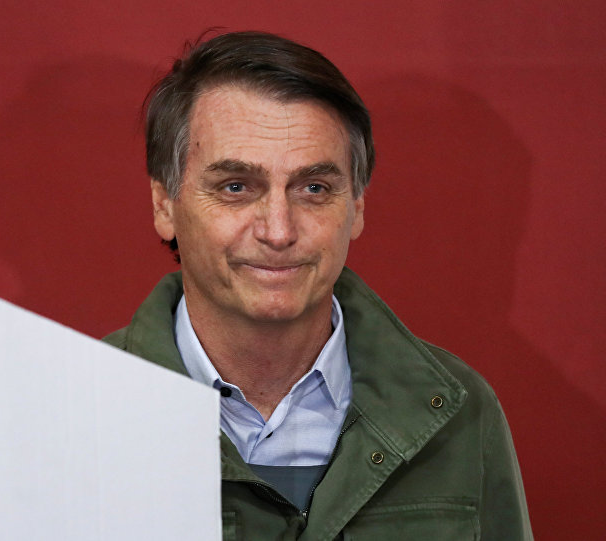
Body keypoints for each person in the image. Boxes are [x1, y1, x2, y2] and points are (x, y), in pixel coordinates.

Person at [104, 31, 532, 540]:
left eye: (313, 188)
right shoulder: (72, 412)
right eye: (236, 187)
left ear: (356, 207)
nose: (278, 231)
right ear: (164, 205)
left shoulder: (460, 414)